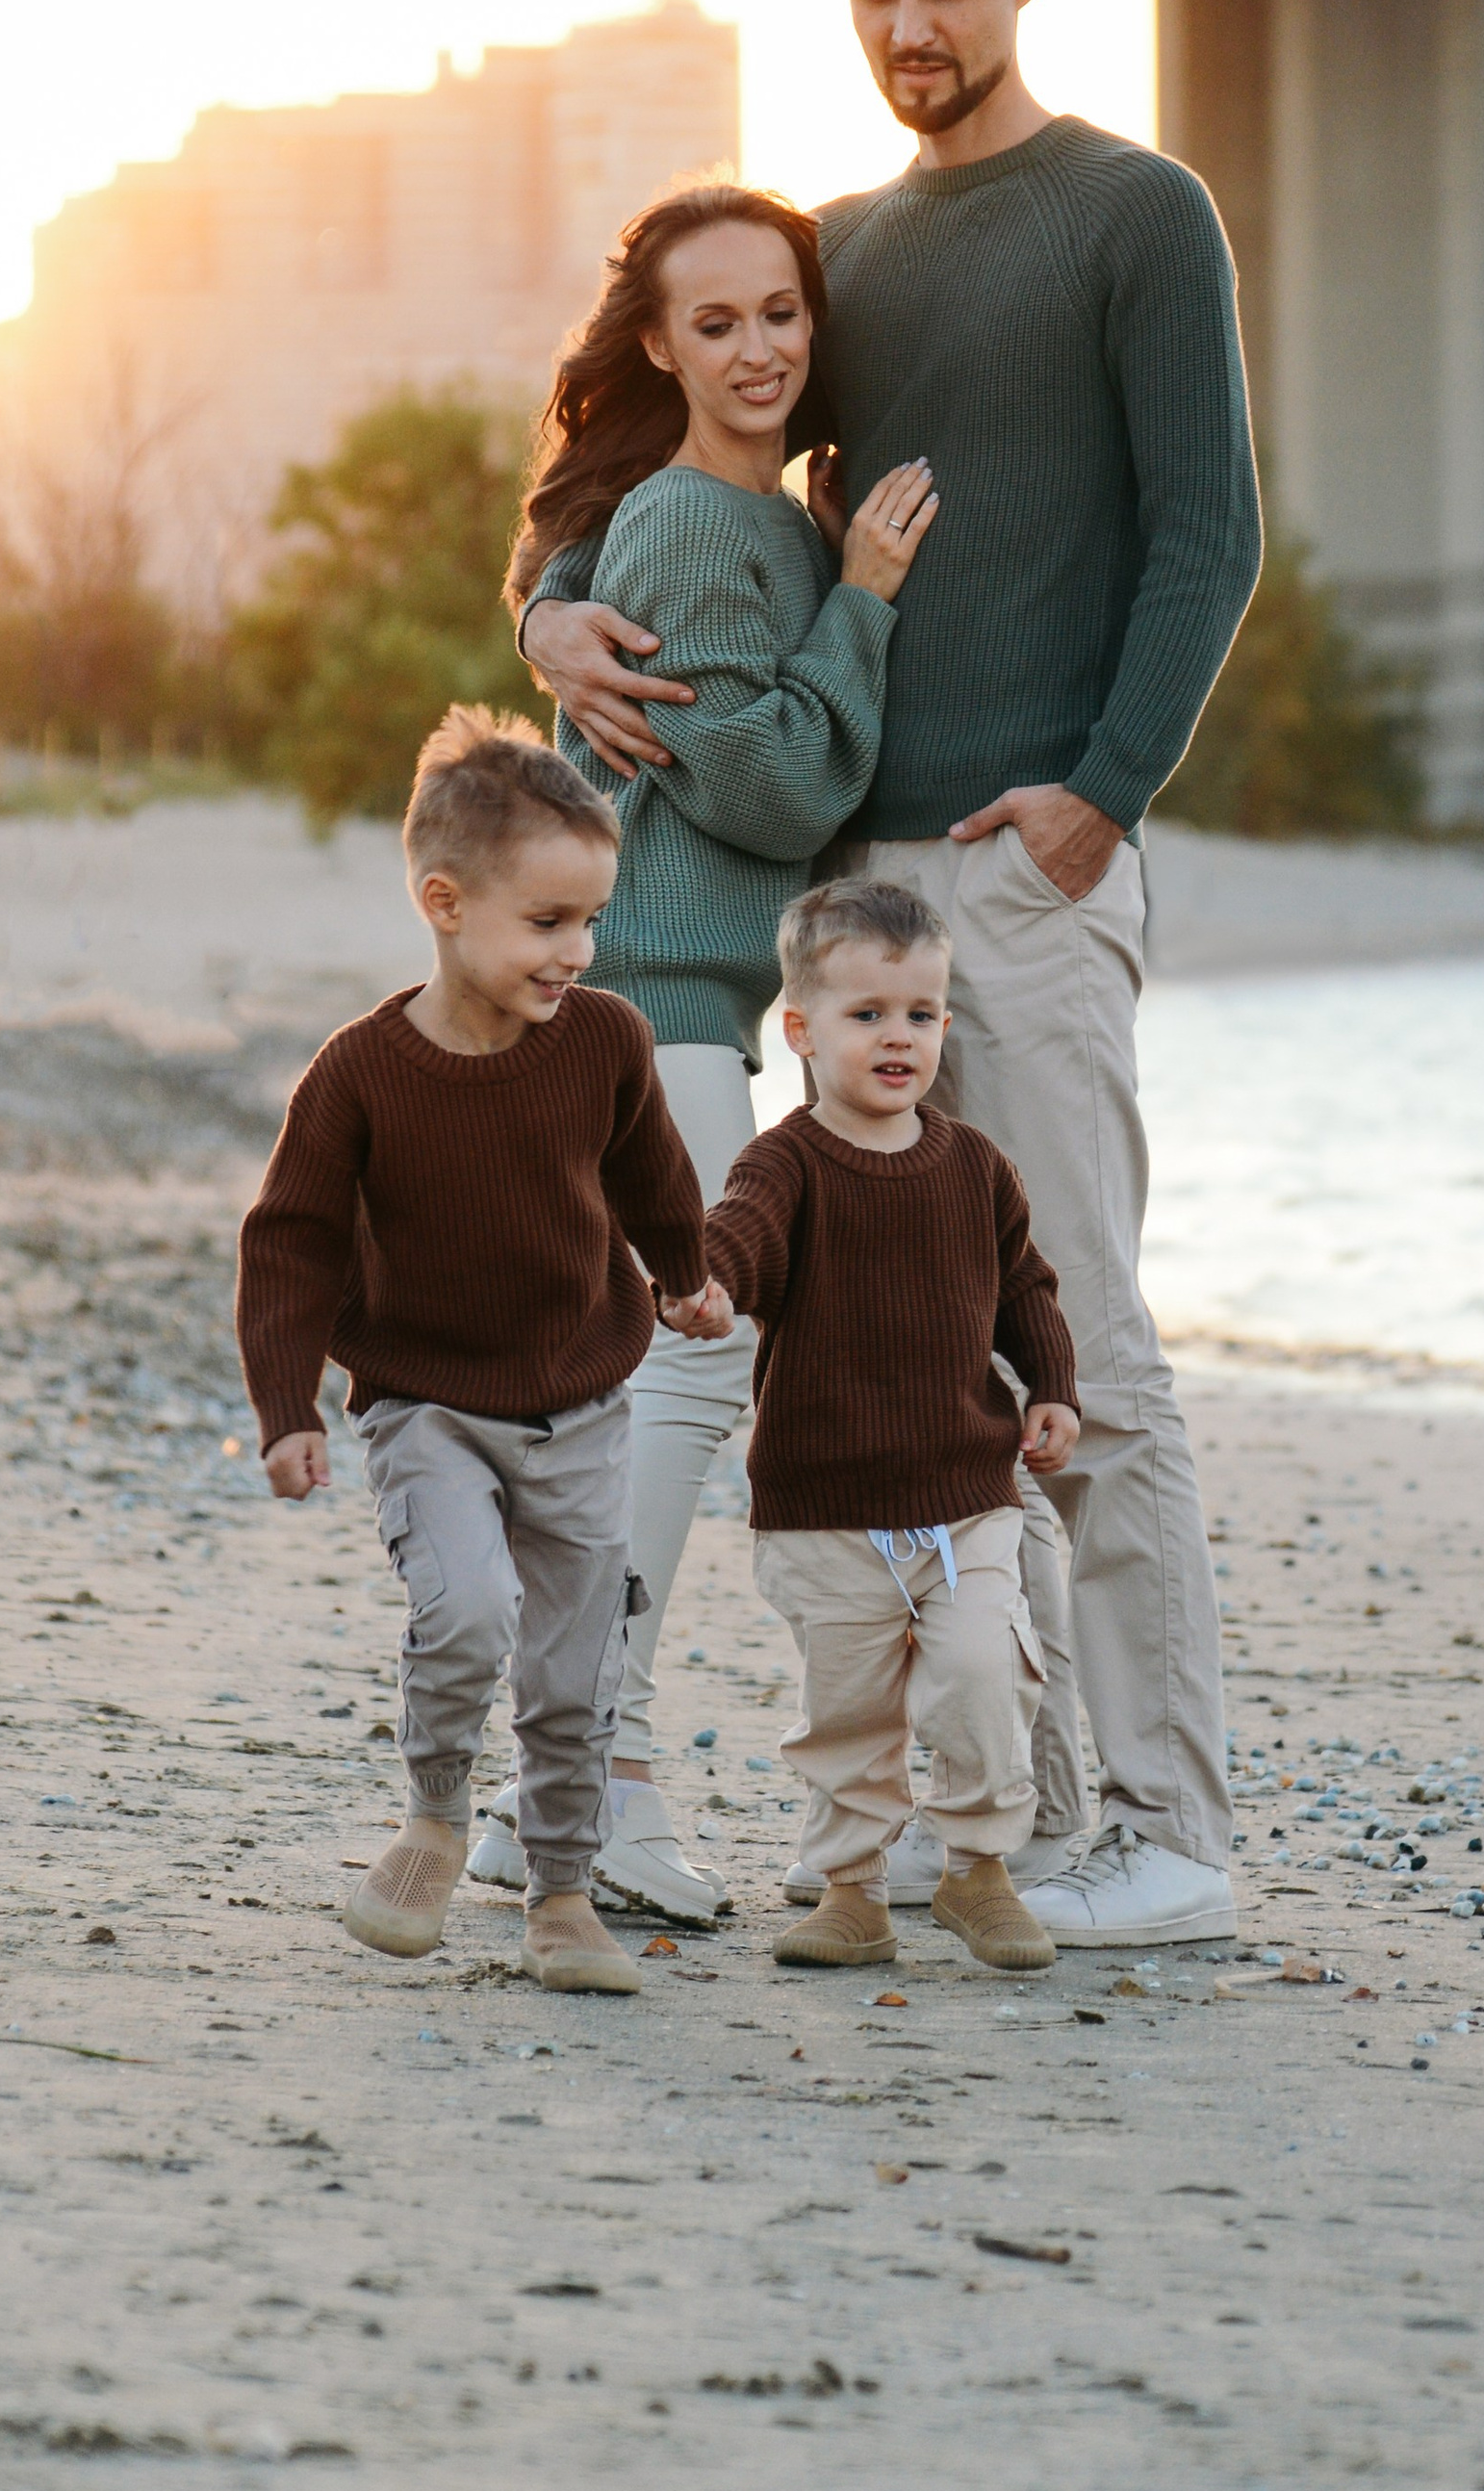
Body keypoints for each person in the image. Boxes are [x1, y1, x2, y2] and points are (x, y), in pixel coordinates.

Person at [520, 0, 1263, 1949]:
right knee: (914, 1372)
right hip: (830, 899)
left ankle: (1171, 1830)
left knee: (1078, 1348)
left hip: (1019, 882)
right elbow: (667, 436)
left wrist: (1100, 794)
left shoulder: (1136, 215)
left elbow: (1205, 530)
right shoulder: (844, 248)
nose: (909, 24)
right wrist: (549, 611)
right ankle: (1014, 1825)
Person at [472, 181, 940, 1926]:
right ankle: (590, 1771)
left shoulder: (757, 526)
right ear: (657, 343)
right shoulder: (688, 525)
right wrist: (873, 597)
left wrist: (839, 579)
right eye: (718, 320)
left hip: (686, 1013)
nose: (760, 348)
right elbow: (771, 783)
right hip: (655, 1000)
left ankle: (570, 1784)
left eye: (784, 314)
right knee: (680, 1374)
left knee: (643, 1391)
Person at [234, 707, 721, 1992]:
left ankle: (562, 1893)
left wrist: (688, 1277)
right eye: (548, 923)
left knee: (576, 1670)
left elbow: (653, 1175)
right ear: (446, 904)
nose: (579, 951)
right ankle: (438, 1815)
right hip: (429, 1408)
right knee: (465, 1609)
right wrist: (289, 1408)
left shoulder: (607, 1042)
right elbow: (290, 1243)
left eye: (591, 920)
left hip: (582, 1405)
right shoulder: (359, 1077)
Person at [703, 879, 1074, 1976]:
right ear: (803, 1031)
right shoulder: (787, 1166)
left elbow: (1027, 1289)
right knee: (850, 1715)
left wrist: (1050, 1384)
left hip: (964, 1492)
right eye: (867, 1015)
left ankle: (976, 1872)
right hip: (824, 1508)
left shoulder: (974, 1167)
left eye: (918, 1013)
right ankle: (852, 1892)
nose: (896, 1037)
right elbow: (740, 1238)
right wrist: (708, 1283)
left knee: (979, 1672)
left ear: (945, 1024)